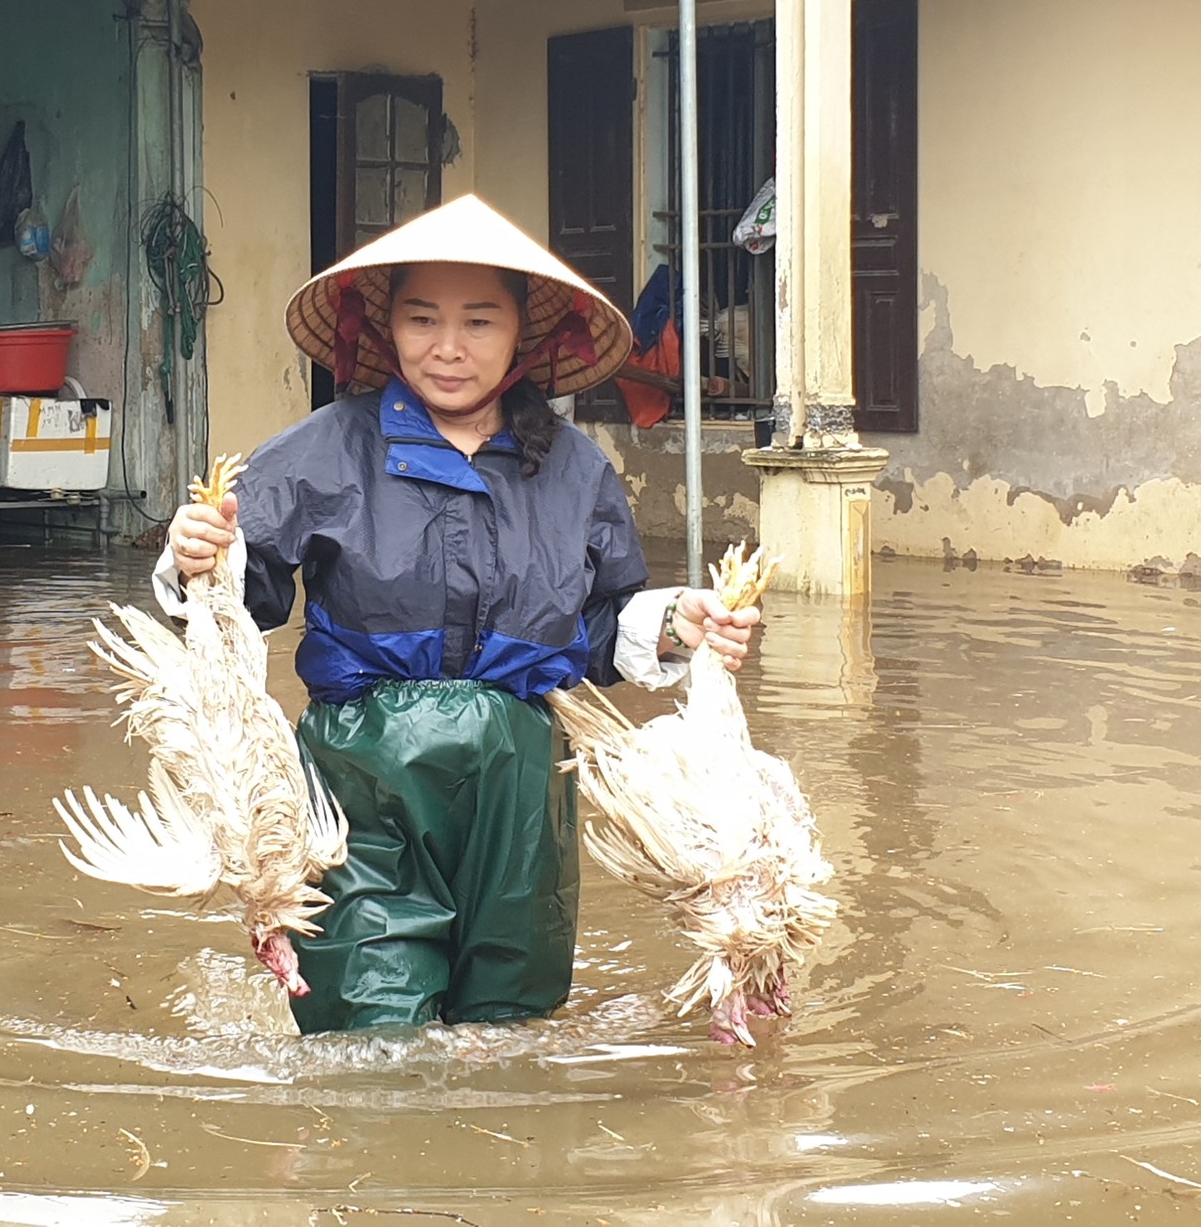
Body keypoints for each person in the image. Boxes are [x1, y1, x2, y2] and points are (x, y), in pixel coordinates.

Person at [158, 194, 760, 1034]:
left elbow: (593, 631)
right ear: (385, 327)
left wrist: (677, 623)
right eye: (422, 319)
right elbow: (233, 601)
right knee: (372, 1036)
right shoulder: (329, 446)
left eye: (479, 321)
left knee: (508, 1029)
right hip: (361, 783)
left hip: (524, 786)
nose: (447, 348)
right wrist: (196, 555)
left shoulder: (575, 469)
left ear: (525, 335)